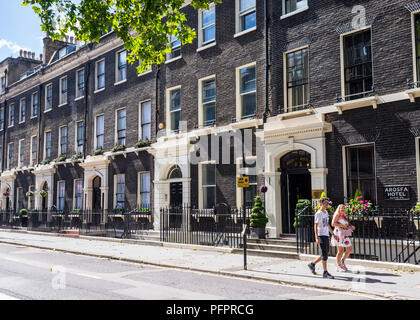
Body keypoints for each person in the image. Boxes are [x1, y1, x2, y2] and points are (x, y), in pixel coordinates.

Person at [307, 197, 335, 279]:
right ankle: (325, 272)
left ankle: (312, 264)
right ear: (321, 203)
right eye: (326, 203)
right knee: (324, 253)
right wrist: (316, 237)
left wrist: (333, 233)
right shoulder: (318, 213)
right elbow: (315, 226)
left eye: (328, 203)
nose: (327, 205)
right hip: (321, 235)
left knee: (325, 253)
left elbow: (327, 225)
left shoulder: (326, 212)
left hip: (326, 235)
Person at [330, 204, 355, 272]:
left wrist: (351, 227)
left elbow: (345, 225)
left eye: (344, 208)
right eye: (341, 208)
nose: (343, 209)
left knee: (349, 249)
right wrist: (342, 225)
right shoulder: (337, 215)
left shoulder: (344, 216)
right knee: (340, 250)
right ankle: (338, 265)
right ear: (339, 209)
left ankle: (342, 261)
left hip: (344, 234)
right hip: (339, 234)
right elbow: (333, 224)